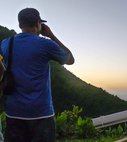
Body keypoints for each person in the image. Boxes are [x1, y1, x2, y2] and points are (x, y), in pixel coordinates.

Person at [0, 8, 75, 142]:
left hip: (14, 113)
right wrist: (51, 36)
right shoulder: (45, 44)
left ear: (19, 25)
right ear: (38, 24)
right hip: (40, 114)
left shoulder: (6, 43)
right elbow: (70, 59)